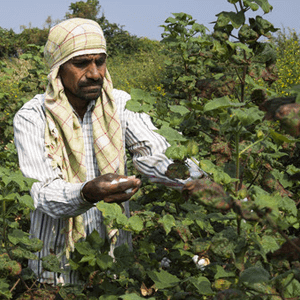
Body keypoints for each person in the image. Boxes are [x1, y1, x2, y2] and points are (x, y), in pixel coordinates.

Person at [13, 18, 204, 285]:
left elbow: (154, 154)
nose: (94, 73)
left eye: (99, 61)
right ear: (57, 69)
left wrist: (198, 182)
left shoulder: (121, 104)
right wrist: (87, 192)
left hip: (113, 266)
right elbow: (42, 191)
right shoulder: (33, 117)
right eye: (81, 63)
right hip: (55, 268)